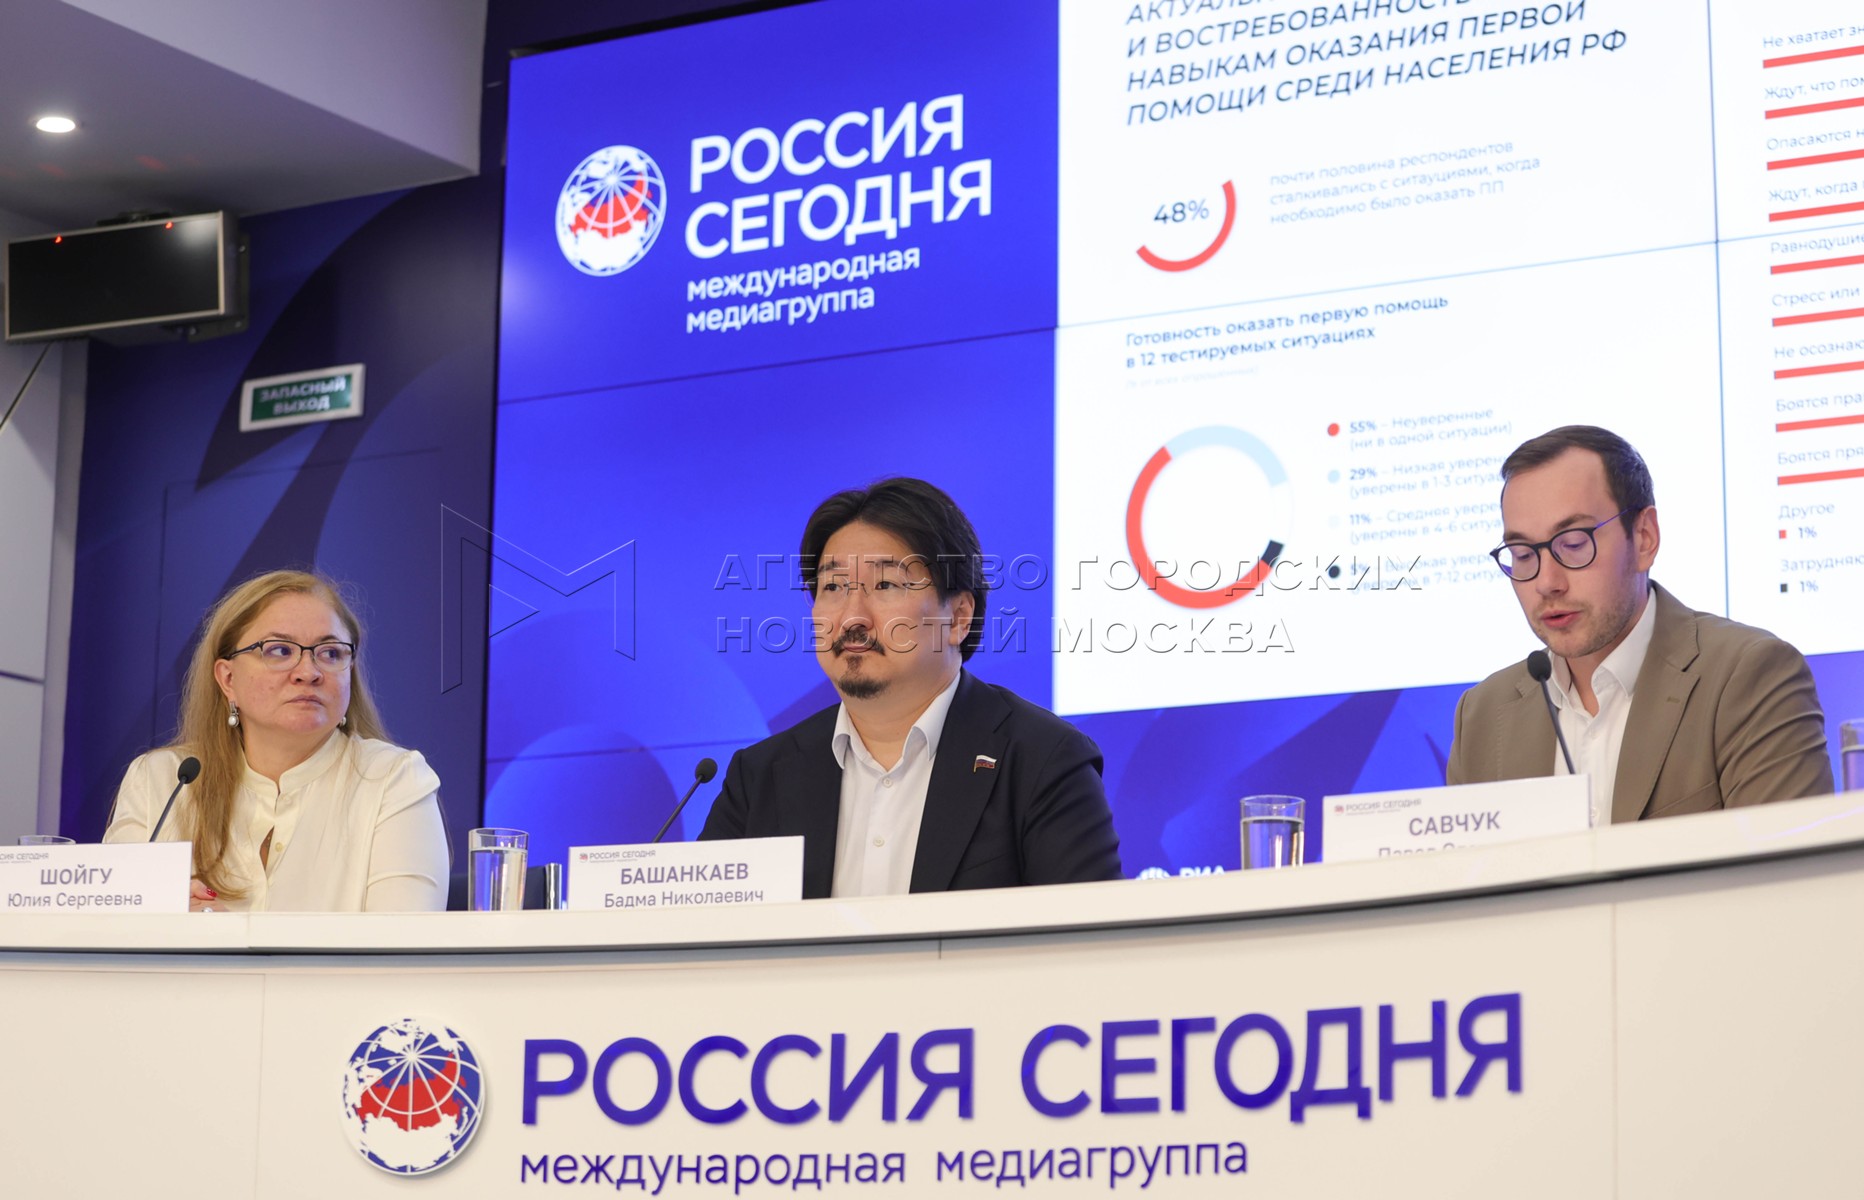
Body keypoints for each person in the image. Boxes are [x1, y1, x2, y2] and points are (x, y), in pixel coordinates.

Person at [700, 478, 1123, 897]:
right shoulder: (760, 779)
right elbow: (701, 932)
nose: (852, 617)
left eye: (885, 585)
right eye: (832, 587)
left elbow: (1091, 934)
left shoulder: (1042, 760)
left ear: (958, 617)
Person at [1446, 426, 1832, 822]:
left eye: (1574, 544)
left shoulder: (1749, 676)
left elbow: (1786, 859)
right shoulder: (1482, 717)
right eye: (1523, 554)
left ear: (1644, 538)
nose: (1547, 583)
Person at [105, 570, 448, 911]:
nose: (309, 672)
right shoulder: (161, 781)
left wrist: (220, 933)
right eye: (280, 650)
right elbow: (107, 927)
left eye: (330, 653)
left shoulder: (393, 779)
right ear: (228, 679)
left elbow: (401, 940)